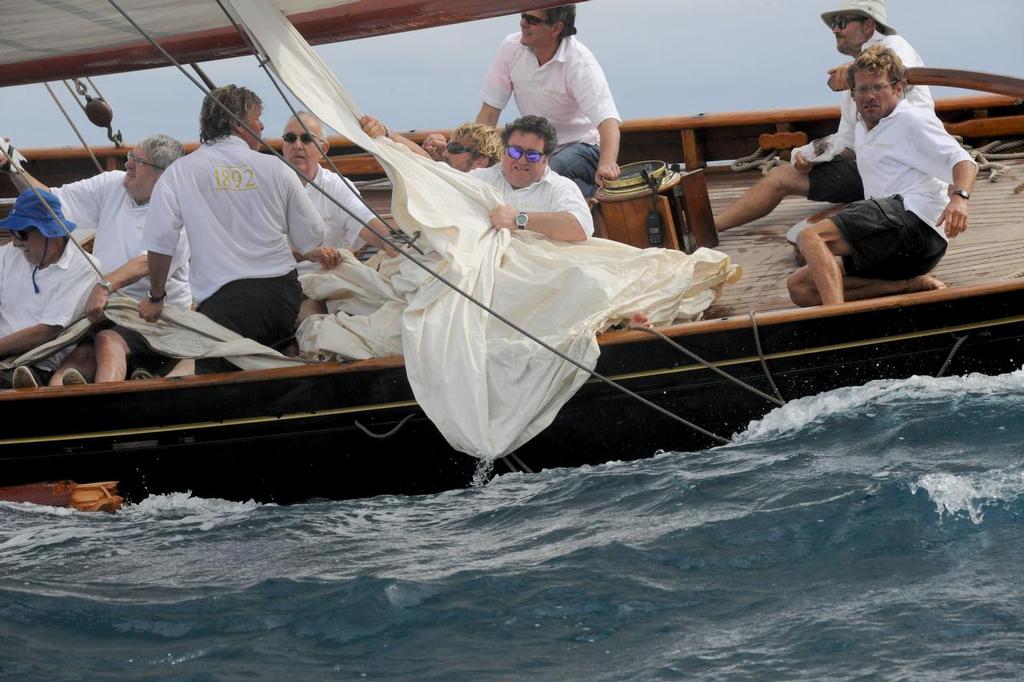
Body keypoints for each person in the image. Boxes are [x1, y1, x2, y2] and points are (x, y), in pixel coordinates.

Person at [140, 84, 332, 373]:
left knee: (215, 374)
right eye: (257, 117)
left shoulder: (180, 172)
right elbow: (312, 236)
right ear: (237, 123)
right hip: (281, 300)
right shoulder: (277, 168)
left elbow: (160, 242)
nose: (262, 125)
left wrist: (156, 298)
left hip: (224, 308)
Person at [715, 0, 934, 232]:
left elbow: (896, 68)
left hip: (910, 174)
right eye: (833, 24)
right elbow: (848, 143)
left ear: (869, 25)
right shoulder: (854, 84)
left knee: (810, 233)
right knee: (781, 177)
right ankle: (707, 231)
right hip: (871, 171)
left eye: (841, 22)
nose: (835, 30)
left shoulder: (895, 45)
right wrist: (808, 155)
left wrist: (853, 68)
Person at [786, 46, 976, 307]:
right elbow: (844, 146)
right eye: (862, 89)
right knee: (800, 288)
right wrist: (808, 156)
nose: (870, 96)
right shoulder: (863, 127)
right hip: (894, 243)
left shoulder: (911, 119)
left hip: (915, 223)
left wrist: (960, 199)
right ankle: (907, 285)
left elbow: (963, 161)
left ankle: (836, 319)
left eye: (878, 87)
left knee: (810, 237)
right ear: (853, 95)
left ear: (898, 89)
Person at [1, 135, 190, 384]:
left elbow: (149, 262)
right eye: (129, 156)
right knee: (74, 364)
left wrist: (104, 285)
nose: (127, 164)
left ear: (162, 174)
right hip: (104, 312)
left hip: (152, 316)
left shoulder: (177, 211)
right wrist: (11, 166)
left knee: (107, 343)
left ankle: (107, 411)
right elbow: (51, 206)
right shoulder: (113, 184)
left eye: (138, 161)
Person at [476, 5, 621, 197]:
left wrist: (607, 165)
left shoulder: (579, 62)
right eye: (522, 15)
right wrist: (475, 157)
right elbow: (489, 112)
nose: (522, 23)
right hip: (536, 149)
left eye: (532, 20)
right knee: (505, 174)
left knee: (544, 174)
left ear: (556, 28)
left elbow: (607, 121)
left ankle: (595, 200)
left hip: (582, 146)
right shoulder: (510, 48)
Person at [0, 189, 100, 388]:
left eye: (21, 233)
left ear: (51, 232)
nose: (16, 242)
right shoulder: (8, 253)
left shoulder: (84, 266)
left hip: (37, 367)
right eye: (12, 232)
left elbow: (47, 331)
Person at [282, 111, 394, 266]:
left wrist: (389, 243)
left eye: (307, 138)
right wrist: (306, 255)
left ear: (324, 149)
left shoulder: (335, 186)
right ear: (283, 145)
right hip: (280, 279)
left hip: (329, 277)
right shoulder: (268, 186)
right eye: (290, 138)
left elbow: (363, 218)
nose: (297, 145)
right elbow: (262, 245)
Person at [471, 115, 593, 242]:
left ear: (545, 159)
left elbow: (582, 228)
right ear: (504, 151)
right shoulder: (479, 179)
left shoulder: (560, 187)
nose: (522, 160)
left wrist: (519, 219)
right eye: (515, 151)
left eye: (532, 155)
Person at [360, 116, 502, 172]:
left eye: (455, 148)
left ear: (480, 161)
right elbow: (427, 161)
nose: (445, 153)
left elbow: (425, 160)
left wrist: (386, 133)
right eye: (448, 146)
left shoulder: (480, 185)